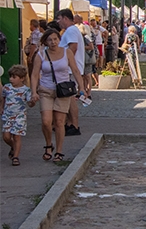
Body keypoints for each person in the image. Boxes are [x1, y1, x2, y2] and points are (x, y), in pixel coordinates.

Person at [30, 28, 85, 163]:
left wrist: (82, 88)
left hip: (63, 91)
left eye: (55, 39)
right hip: (46, 90)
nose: (53, 42)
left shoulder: (67, 53)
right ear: (45, 42)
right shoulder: (41, 54)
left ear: (59, 40)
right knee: (46, 121)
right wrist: (33, 91)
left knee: (60, 122)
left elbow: (75, 71)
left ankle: (59, 151)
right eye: (50, 40)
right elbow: (35, 74)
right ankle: (49, 145)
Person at [56, 9, 85, 137]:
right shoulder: (71, 31)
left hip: (70, 69)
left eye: (59, 19)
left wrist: (66, 62)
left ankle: (74, 125)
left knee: (71, 98)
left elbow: (73, 47)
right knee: (68, 98)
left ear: (65, 18)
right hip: (70, 68)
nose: (58, 22)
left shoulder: (71, 31)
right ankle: (69, 123)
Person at [3, 65, 35, 166]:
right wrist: (1, 108)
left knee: (17, 136)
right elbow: (3, 98)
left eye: (14, 77)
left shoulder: (26, 90)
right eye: (11, 77)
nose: (11, 79)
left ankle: (16, 157)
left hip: (19, 116)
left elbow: (30, 103)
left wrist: (33, 102)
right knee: (6, 137)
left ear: (22, 78)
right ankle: (13, 146)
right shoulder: (7, 87)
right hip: (7, 115)